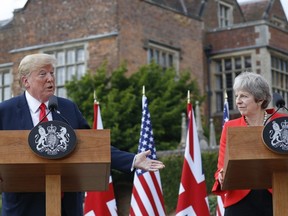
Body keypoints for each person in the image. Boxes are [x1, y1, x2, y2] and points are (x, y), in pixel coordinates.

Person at [0, 53, 164, 216]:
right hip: (23, 207)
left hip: (67, 206)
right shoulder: (5, 111)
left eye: (52, 73)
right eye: (43, 74)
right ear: (25, 81)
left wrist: (132, 159)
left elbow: (92, 147)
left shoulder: (67, 108)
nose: (50, 78)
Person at [212, 72, 287, 216]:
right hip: (239, 200)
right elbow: (221, 167)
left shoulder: (282, 123)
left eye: (244, 96)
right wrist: (221, 175)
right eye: (237, 96)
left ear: (260, 99)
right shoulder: (230, 127)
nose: (238, 101)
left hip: (278, 195)